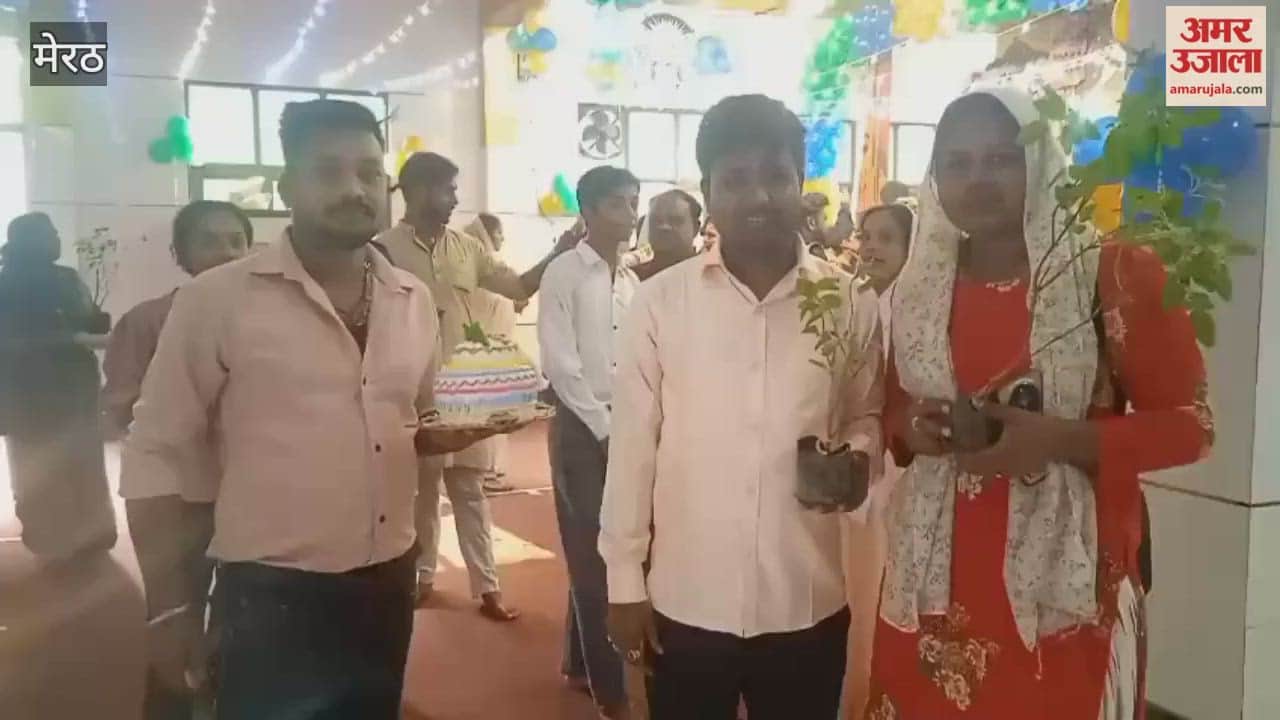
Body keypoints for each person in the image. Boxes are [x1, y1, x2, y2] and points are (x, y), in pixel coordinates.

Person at [122, 99, 509, 719]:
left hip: (387, 580)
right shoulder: (216, 301)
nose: (354, 188)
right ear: (286, 187)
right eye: (328, 171)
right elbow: (155, 453)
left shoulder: (409, 299)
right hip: (272, 594)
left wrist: (443, 433)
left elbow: (408, 418)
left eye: (368, 172)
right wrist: (170, 606)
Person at [866, 89, 1212, 719]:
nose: (978, 180)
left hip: (1067, 591)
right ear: (935, 175)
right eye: (958, 162)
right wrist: (910, 427)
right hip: (933, 586)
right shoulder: (917, 285)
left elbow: (1192, 428)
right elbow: (894, 411)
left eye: (1001, 159)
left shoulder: (1112, 273)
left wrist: (1057, 441)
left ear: (1042, 160)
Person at [600, 94, 884, 720]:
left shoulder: (847, 301)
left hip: (806, 598)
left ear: (800, 185)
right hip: (686, 599)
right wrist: (624, 580)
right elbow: (632, 448)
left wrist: (857, 456)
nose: (759, 197)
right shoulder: (660, 304)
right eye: (736, 180)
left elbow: (867, 414)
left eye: (776, 176)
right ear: (708, 192)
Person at [377, 152, 571, 621]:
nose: (455, 199)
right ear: (418, 190)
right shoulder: (382, 251)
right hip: (414, 396)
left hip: (467, 396)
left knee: (470, 492)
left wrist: (558, 252)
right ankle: (423, 578)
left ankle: (487, 588)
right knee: (422, 495)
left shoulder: (467, 249)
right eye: (447, 189)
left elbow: (518, 285)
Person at [106, 200, 252, 720]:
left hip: (247, 494)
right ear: (180, 253)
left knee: (244, 622)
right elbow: (120, 406)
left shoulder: (262, 320)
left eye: (236, 241)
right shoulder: (145, 321)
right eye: (210, 241)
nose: (225, 252)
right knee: (174, 625)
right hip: (170, 498)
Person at [539, 165, 641, 720]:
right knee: (594, 560)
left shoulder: (630, 280)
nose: (632, 213)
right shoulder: (564, 273)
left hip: (624, 426)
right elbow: (561, 364)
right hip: (583, 430)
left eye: (634, 202)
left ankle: (579, 662)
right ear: (591, 209)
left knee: (610, 547)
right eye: (621, 203)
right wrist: (604, 429)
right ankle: (612, 695)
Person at [0, 211, 115, 560]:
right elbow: (90, 320)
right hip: (70, 387)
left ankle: (43, 535)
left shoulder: (3, 282)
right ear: (37, 240)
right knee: (82, 462)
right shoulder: (64, 280)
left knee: (29, 462)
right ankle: (91, 535)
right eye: (51, 231)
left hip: (18, 391)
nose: (57, 237)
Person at [838, 201, 913, 718]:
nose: (872, 247)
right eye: (866, 236)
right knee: (852, 591)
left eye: (887, 238)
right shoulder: (848, 303)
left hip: (905, 471)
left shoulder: (923, 310)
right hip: (854, 465)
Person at [463, 212, 523, 495]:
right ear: (488, 233)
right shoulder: (474, 266)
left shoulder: (490, 267)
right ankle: (487, 473)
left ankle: (490, 471)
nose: (502, 239)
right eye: (499, 234)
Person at [630, 190, 700, 282]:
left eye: (675, 220)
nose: (664, 227)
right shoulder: (630, 274)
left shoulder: (707, 273)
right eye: (657, 220)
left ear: (696, 228)